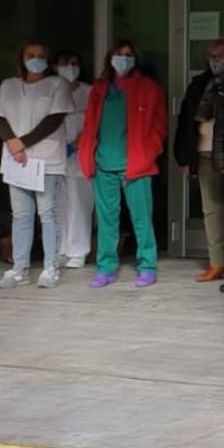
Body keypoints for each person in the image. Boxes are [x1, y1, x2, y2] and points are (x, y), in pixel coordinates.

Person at [79, 40, 168, 288]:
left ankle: (147, 266)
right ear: (110, 58)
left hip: (136, 164)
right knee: (106, 220)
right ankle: (106, 268)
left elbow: (159, 127)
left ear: (136, 59)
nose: (123, 59)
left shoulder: (149, 89)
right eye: (119, 54)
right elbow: (90, 123)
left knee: (142, 218)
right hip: (103, 163)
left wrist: (148, 153)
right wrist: (88, 153)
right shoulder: (100, 89)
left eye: (129, 55)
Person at [0, 42, 75, 289]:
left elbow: (54, 119)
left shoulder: (57, 84)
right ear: (22, 58)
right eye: (31, 55)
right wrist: (12, 143)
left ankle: (50, 268)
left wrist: (22, 143)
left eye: (41, 56)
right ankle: (19, 269)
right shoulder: (9, 85)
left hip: (46, 159)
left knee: (47, 214)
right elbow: (0, 117)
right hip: (16, 160)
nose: (36, 59)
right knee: (21, 216)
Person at [175, 38, 224, 292]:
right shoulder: (200, 83)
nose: (216, 61)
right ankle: (217, 262)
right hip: (203, 151)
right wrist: (183, 156)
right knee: (211, 208)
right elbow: (186, 120)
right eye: (212, 56)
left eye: (222, 56)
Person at [53, 49, 94, 269]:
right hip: (55, 154)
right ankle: (60, 250)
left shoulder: (89, 92)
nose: (70, 67)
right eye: (65, 62)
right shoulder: (51, 90)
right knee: (58, 204)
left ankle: (78, 251)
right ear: (55, 67)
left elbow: (95, 121)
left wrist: (78, 141)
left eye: (74, 62)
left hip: (80, 155)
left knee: (80, 203)